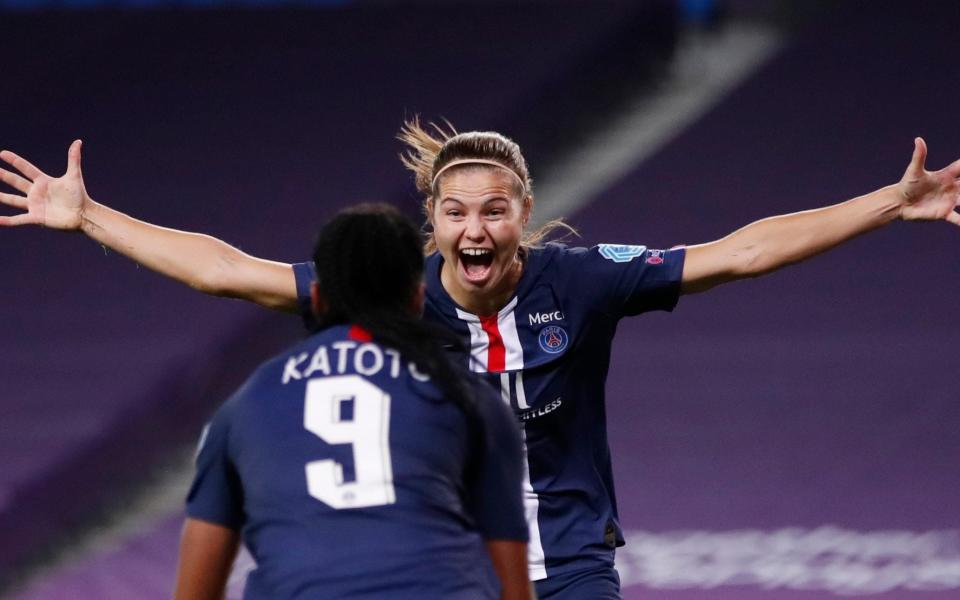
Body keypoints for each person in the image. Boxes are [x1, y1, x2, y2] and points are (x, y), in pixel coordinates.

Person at [1, 127, 958, 599]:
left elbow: (745, 249)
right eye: (457, 212)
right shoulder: (391, 292)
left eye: (494, 210)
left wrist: (889, 202)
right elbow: (226, 272)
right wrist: (88, 216)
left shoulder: (580, 282)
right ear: (434, 223)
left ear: (522, 217)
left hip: (574, 566)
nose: (475, 227)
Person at [170, 203, 532, 599]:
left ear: (318, 298)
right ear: (417, 298)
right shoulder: (468, 396)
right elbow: (512, 585)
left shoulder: (245, 403)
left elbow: (195, 592)